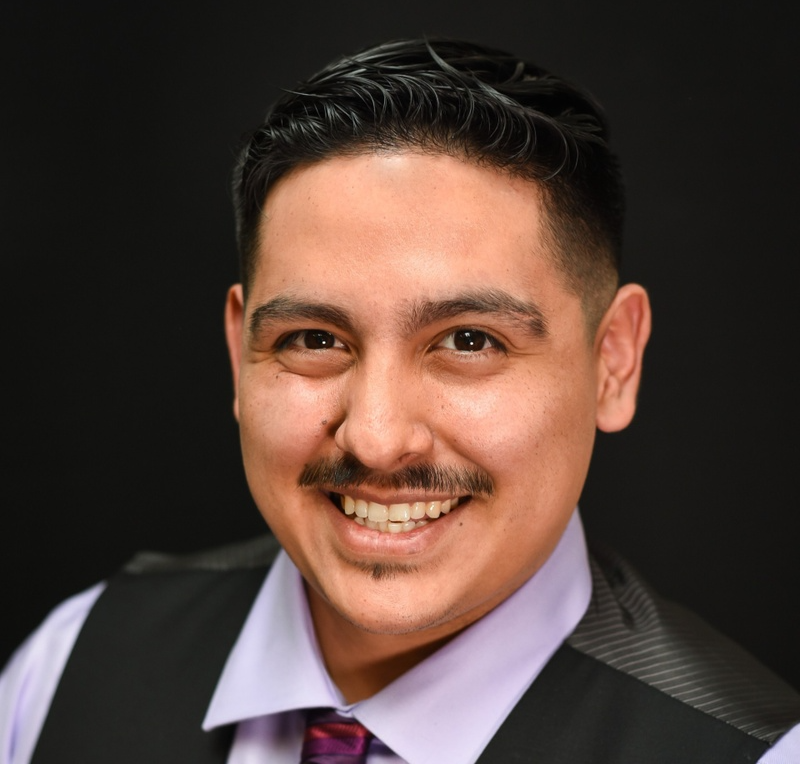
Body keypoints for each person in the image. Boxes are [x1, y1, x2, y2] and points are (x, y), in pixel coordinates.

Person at [1, 37, 798, 764]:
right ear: (239, 353)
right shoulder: (70, 663)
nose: (377, 440)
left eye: (469, 341)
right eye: (314, 339)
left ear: (613, 361)